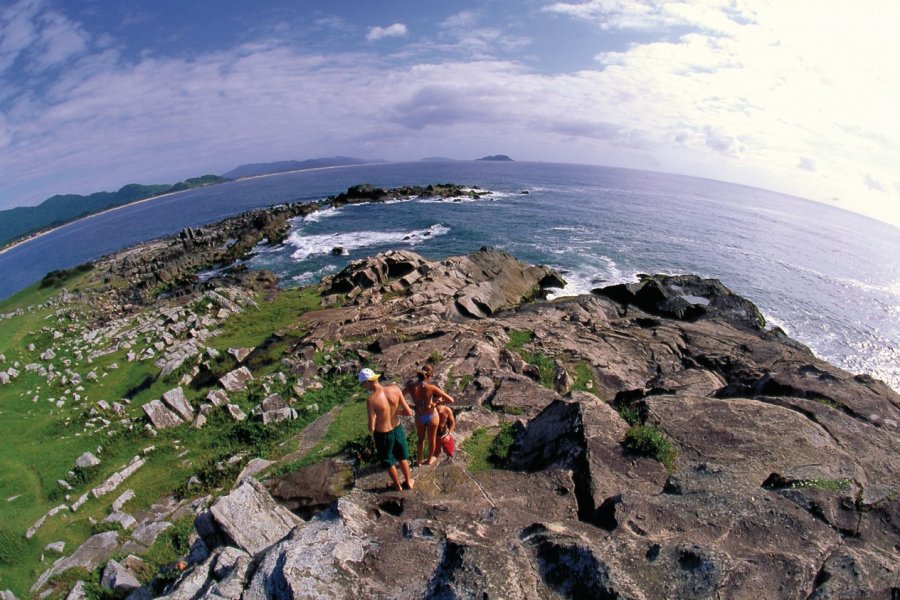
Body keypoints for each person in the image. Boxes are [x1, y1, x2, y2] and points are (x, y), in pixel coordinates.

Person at [360, 368, 414, 491]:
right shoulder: (395, 389)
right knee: (402, 457)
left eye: (362, 384)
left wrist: (375, 420)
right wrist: (394, 411)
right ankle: (408, 482)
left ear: (367, 382)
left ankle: (397, 485)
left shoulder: (371, 400)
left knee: (389, 461)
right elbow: (408, 412)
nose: (363, 386)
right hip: (398, 428)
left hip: (383, 434)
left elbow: (371, 426)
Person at [403, 364, 454, 466]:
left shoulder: (411, 386)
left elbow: (399, 398)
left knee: (421, 439)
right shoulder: (431, 387)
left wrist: (411, 405)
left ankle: (419, 461)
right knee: (432, 439)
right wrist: (436, 404)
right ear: (430, 376)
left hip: (419, 416)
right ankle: (429, 460)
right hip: (431, 415)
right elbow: (450, 400)